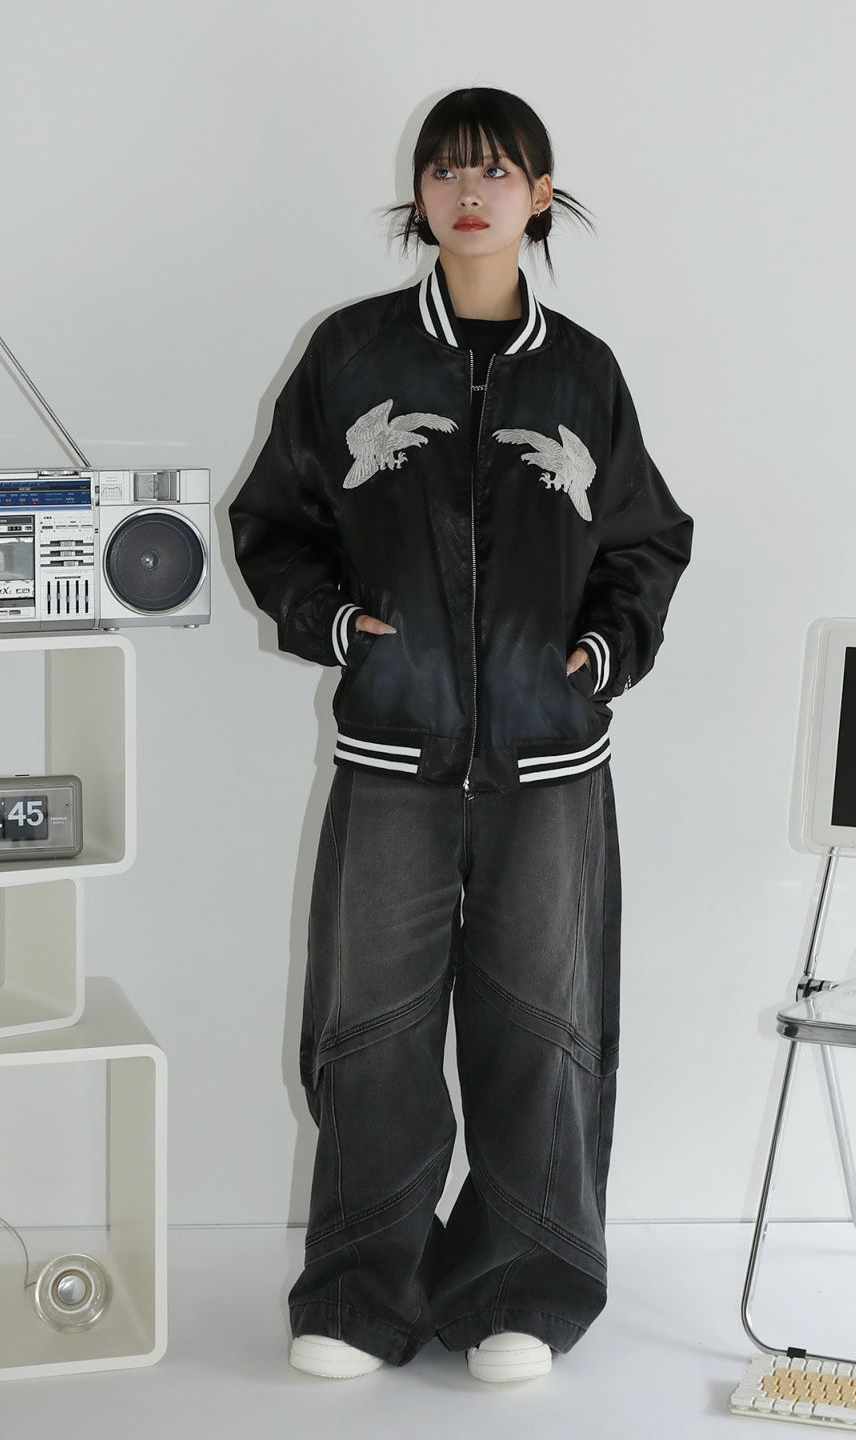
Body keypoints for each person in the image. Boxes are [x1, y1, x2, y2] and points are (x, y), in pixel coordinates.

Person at [228, 86, 694, 1384]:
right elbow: (274, 524)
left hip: (550, 764)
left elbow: (647, 541)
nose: (469, 192)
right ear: (420, 194)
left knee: (541, 1027)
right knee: (369, 1028)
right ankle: (360, 1294)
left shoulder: (584, 371)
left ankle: (522, 1293)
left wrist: (600, 656)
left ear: (540, 195)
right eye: (445, 171)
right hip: (396, 755)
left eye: (495, 171)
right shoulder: (354, 355)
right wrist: (338, 625)